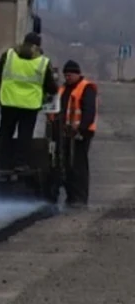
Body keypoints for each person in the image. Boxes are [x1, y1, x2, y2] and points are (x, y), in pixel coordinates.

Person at [0, 32, 58, 171]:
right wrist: (51, 92)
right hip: (30, 104)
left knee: (5, 132)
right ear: (38, 45)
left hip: (8, 100)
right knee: (25, 135)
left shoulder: (9, 55)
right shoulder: (42, 61)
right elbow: (51, 87)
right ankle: (20, 163)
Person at [57, 60, 98, 208]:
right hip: (67, 133)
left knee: (79, 165)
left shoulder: (86, 88)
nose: (67, 78)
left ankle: (80, 198)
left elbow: (89, 111)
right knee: (67, 164)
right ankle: (71, 197)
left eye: (70, 75)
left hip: (82, 133)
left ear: (77, 74)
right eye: (66, 75)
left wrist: (81, 129)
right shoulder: (63, 89)